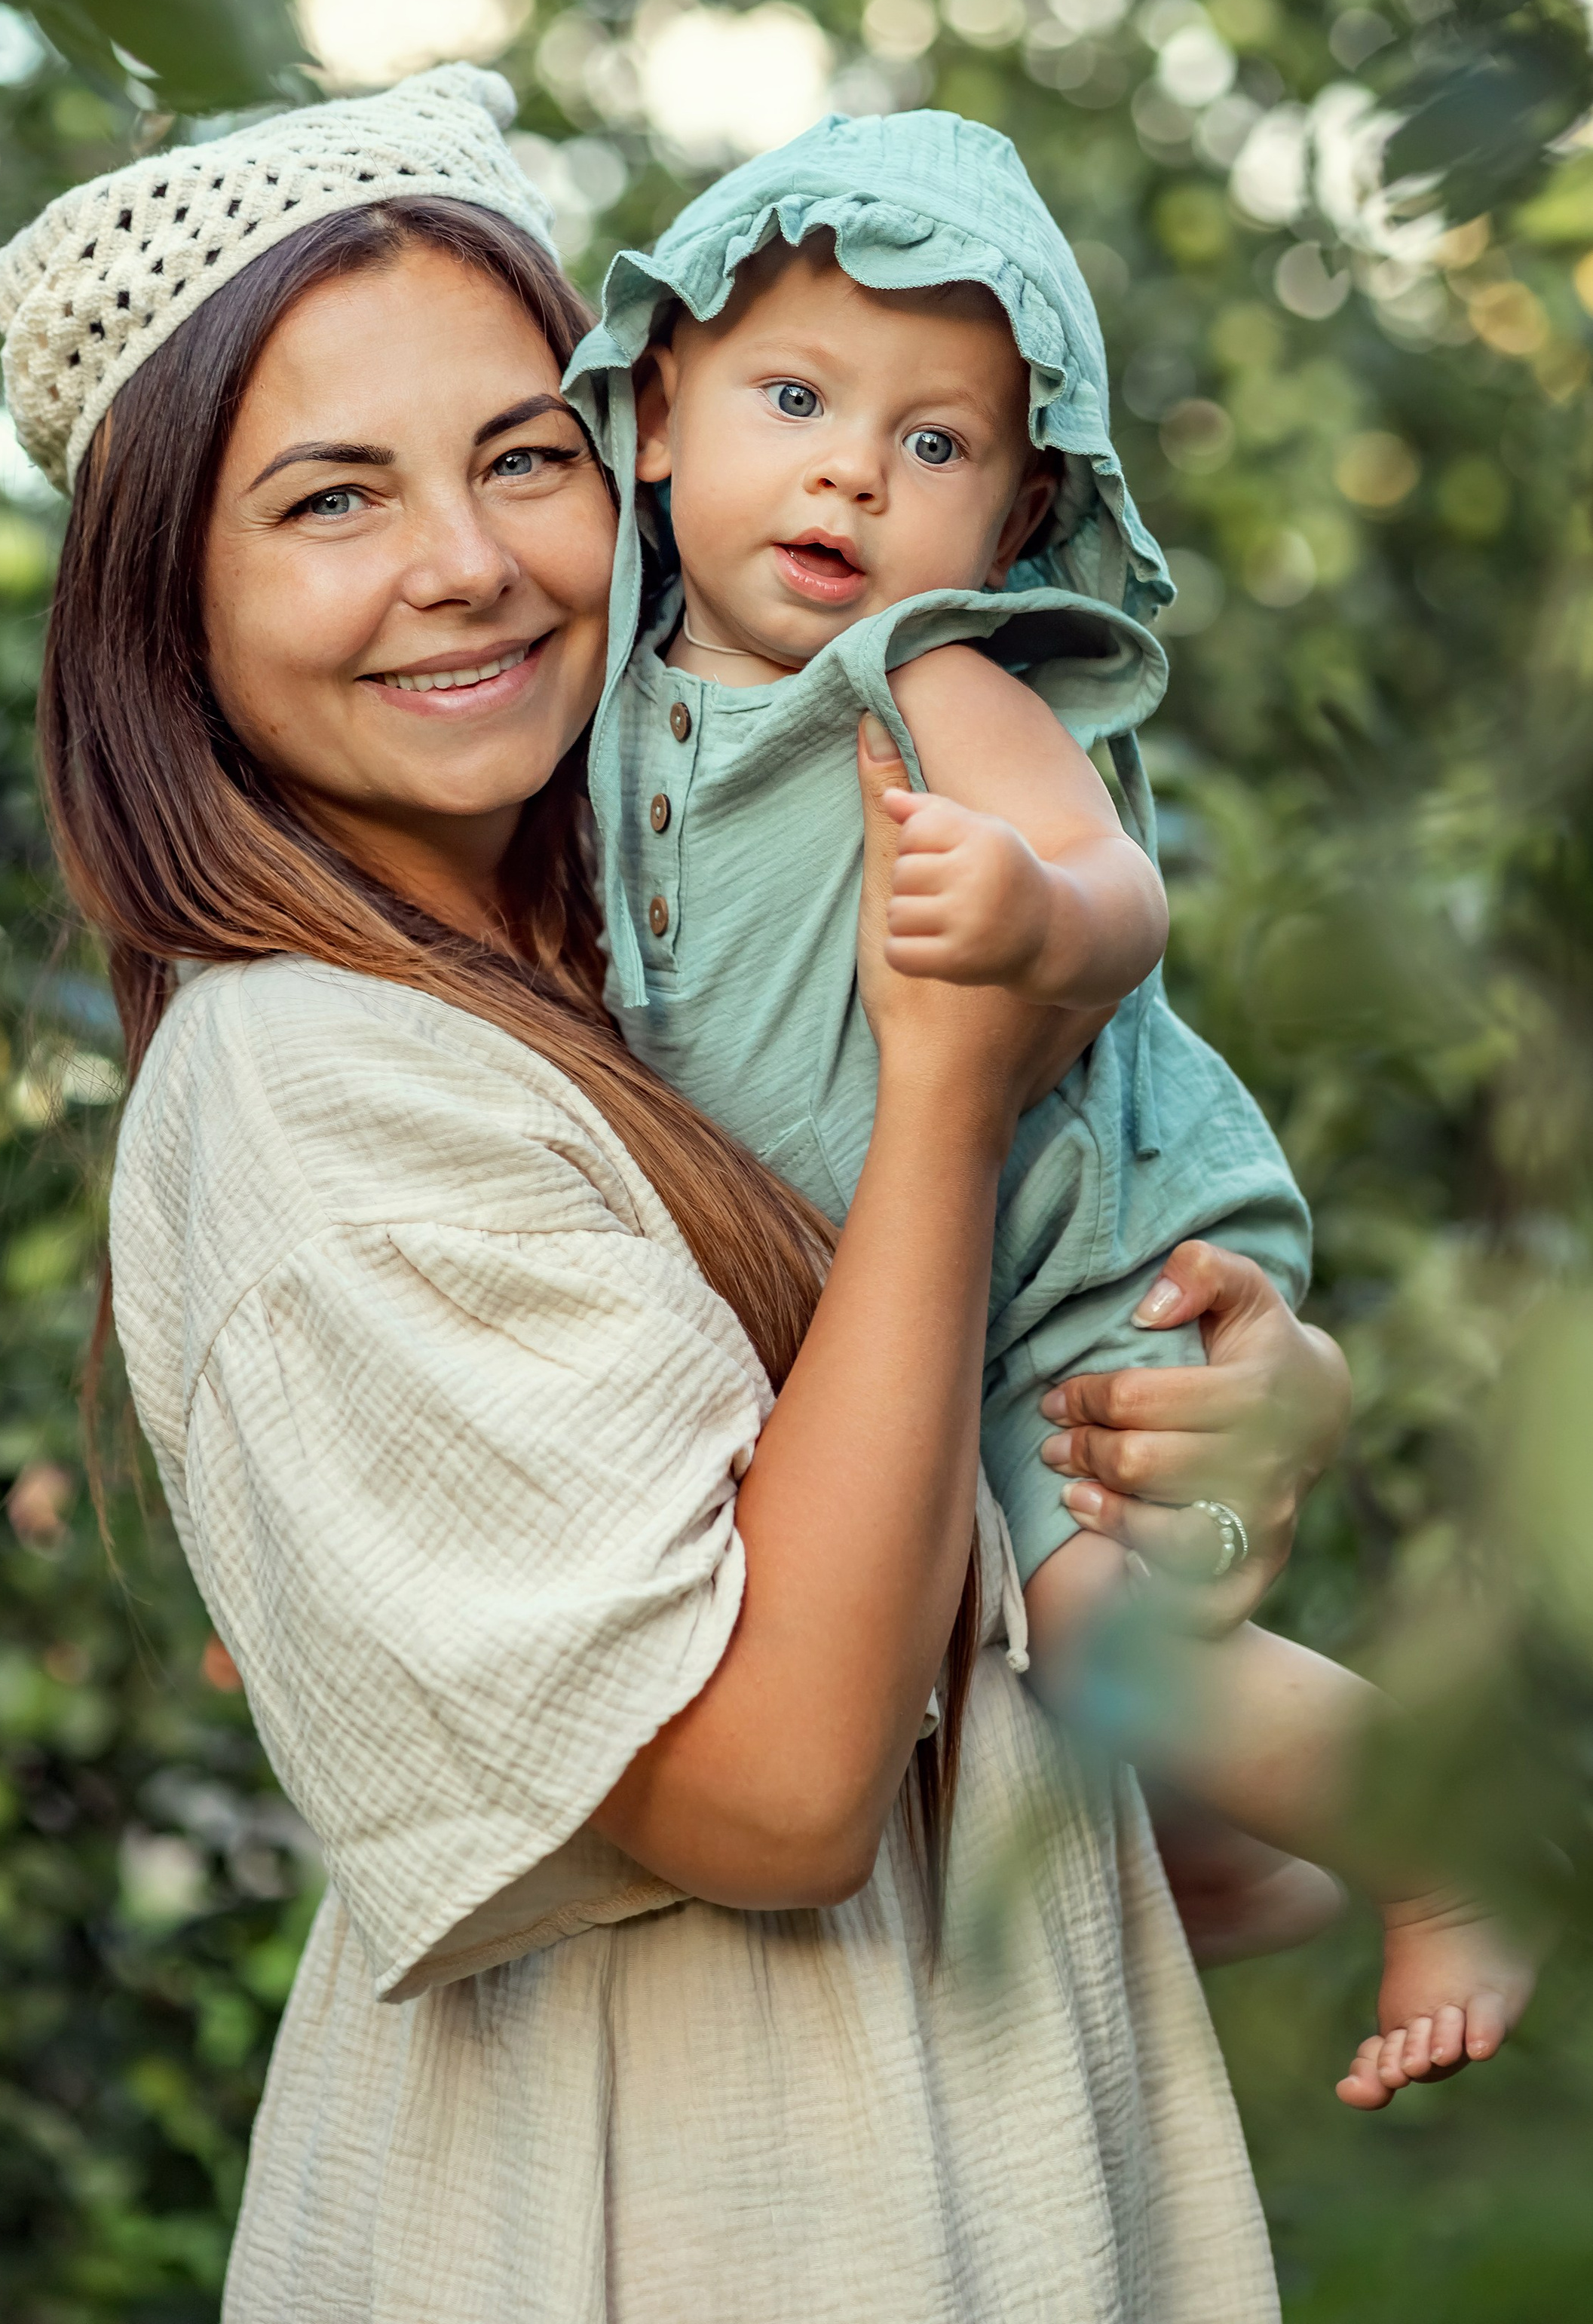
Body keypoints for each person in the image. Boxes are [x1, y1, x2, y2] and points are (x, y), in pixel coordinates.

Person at [0, 66, 1350, 2322]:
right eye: (329, 499)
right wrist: (954, 1092)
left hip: (980, 2114)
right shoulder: (313, 1075)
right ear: (167, 606)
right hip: (681, 2199)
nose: (470, 562)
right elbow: (786, 1789)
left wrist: (1218, 1392)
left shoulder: (675, 930)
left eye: (521, 456)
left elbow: (971, 1579)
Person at [565, 108, 1531, 2103]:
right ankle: (1209, 1852)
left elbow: (1122, 892)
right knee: (967, 1624)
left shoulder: (933, 679)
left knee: (1088, 1612)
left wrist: (1028, 909)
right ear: (659, 421)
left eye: (935, 446)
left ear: (1009, 528)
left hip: (1059, 1247)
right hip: (886, 1271)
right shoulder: (602, 698)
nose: (852, 467)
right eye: (799, 396)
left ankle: (1447, 1850)